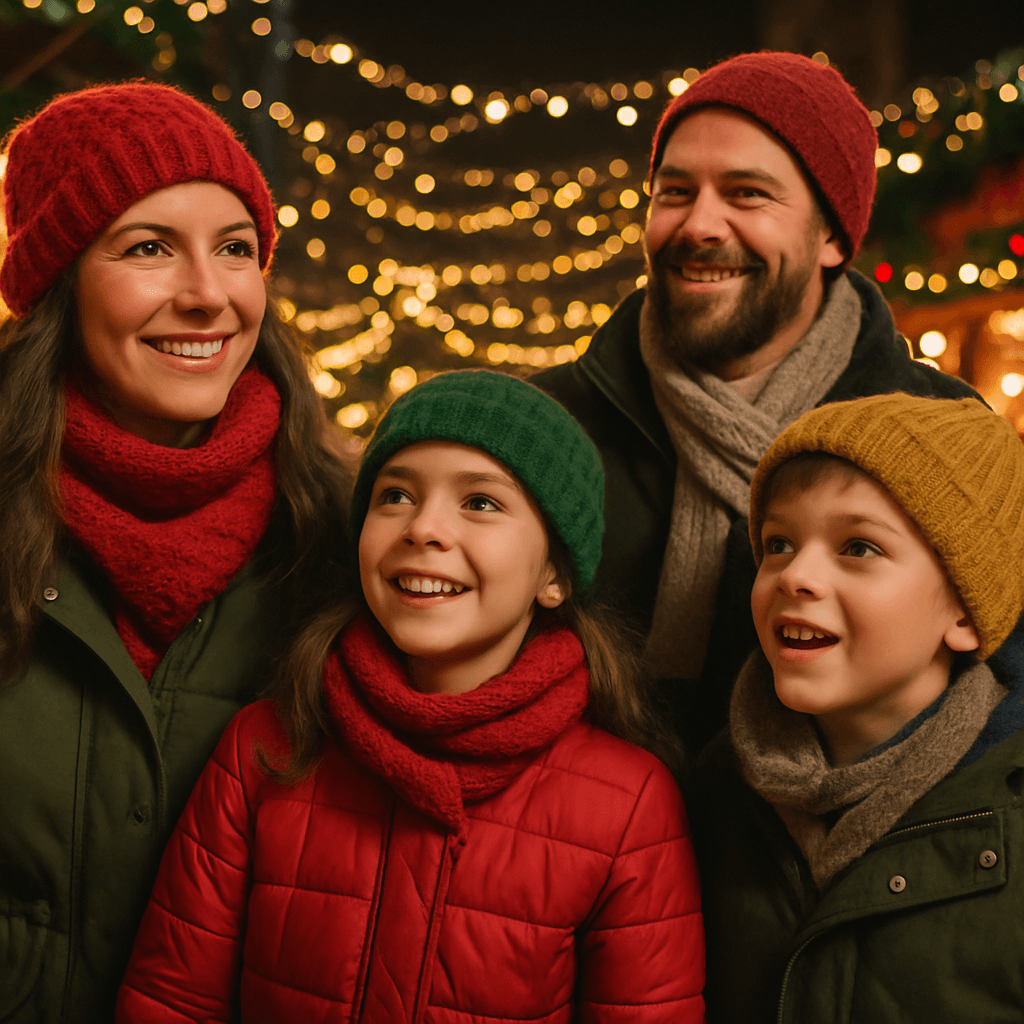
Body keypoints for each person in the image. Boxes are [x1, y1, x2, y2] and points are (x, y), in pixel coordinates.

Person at [115, 370, 706, 1024]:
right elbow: (171, 998)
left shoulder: (629, 806)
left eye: (480, 502)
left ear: (554, 574)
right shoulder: (266, 749)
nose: (423, 528)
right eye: (395, 495)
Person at [0, 82, 352, 1022]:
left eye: (236, 249)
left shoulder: (344, 536)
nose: (206, 295)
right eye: (149, 247)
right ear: (58, 279)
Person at [533, 52, 977, 755]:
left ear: (831, 235)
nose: (699, 225)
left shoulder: (941, 439)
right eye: (674, 192)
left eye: (746, 194)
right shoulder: (543, 429)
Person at [687, 392, 1024, 1023]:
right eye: (779, 542)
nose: (794, 575)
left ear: (964, 612)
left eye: (858, 548)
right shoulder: (714, 791)